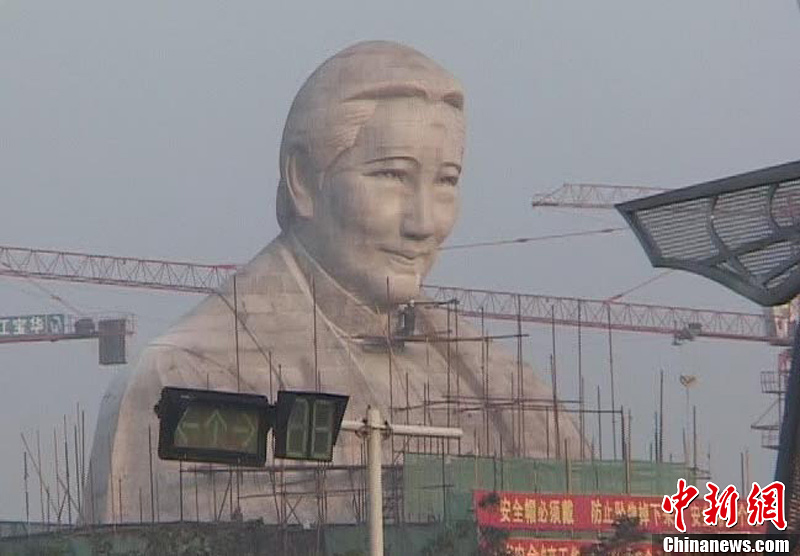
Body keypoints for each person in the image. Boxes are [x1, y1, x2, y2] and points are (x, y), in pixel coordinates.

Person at [86, 40, 584, 525]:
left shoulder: (509, 388)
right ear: (304, 180)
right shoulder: (188, 375)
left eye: (446, 181)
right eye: (391, 176)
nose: (424, 222)